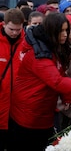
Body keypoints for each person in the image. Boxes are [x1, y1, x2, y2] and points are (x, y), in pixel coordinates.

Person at [9, 13, 71, 150]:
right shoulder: (39, 55)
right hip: (29, 114)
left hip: (42, 111)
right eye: (61, 31)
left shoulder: (52, 48)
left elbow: (60, 73)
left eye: (67, 30)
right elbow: (57, 81)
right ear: (51, 31)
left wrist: (67, 95)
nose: (65, 34)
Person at [0, 9, 25, 151]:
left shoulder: (27, 44)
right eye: (11, 29)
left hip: (18, 108)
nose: (15, 33)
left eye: (18, 29)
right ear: (3, 24)